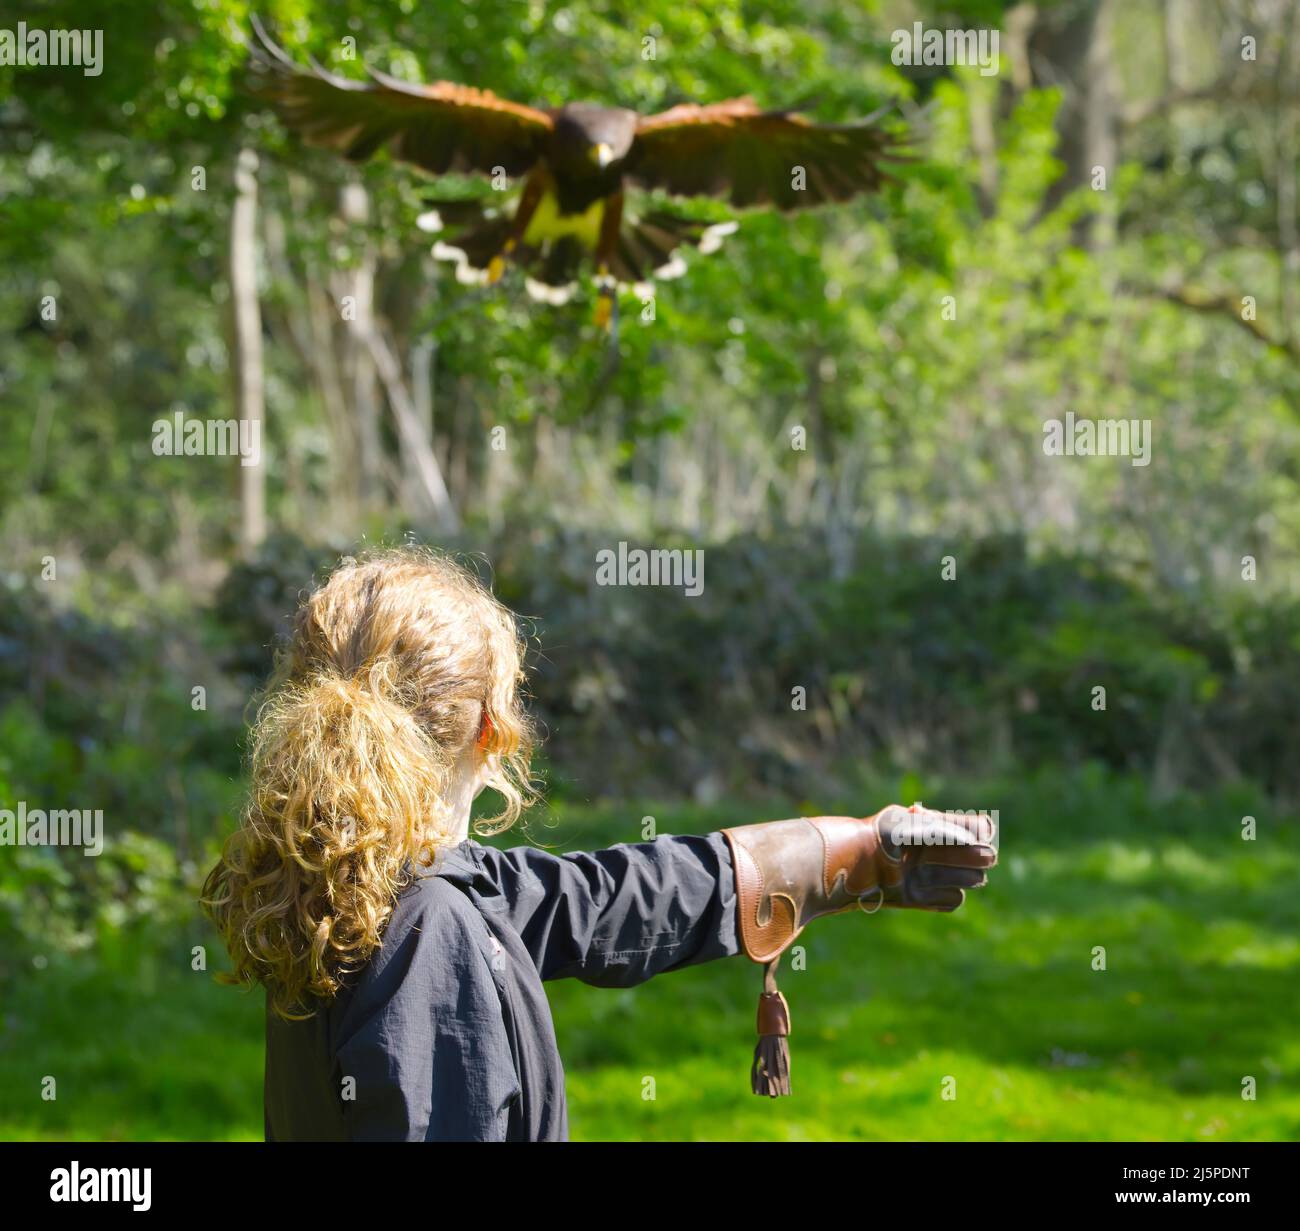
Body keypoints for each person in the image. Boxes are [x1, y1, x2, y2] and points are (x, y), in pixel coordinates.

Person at [201, 546, 996, 1141]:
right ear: (491, 730)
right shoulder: (428, 933)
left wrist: (851, 854)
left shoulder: (358, 887)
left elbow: (604, 900)